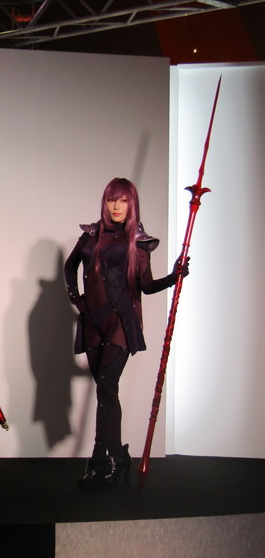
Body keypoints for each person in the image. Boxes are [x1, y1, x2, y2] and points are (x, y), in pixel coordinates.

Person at [64, 177, 188, 491]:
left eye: (122, 201)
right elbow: (69, 266)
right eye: (111, 200)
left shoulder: (138, 240)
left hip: (121, 320)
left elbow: (145, 286)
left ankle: (105, 460)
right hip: (93, 322)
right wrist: (76, 299)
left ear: (131, 204)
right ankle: (112, 458)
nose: (116, 207)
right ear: (104, 202)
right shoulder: (91, 234)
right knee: (105, 392)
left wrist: (174, 277)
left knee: (107, 385)